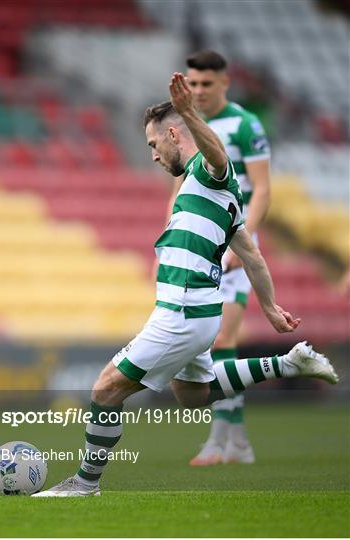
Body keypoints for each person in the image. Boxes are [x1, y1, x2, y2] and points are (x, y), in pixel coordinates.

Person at [33, 73, 338, 497]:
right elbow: (252, 256)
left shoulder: (209, 173)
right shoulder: (219, 199)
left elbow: (217, 157)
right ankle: (287, 363)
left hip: (181, 312)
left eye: (154, 146)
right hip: (198, 313)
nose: (154, 156)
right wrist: (269, 307)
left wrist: (192, 112)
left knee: (104, 389)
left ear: (174, 134)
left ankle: (84, 484)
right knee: (193, 395)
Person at [165, 50, 272, 466]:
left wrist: (241, 244)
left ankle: (220, 441)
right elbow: (180, 182)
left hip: (233, 245)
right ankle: (237, 441)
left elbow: (261, 189)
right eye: (192, 84)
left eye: (207, 84)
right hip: (197, 244)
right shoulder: (188, 125)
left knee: (223, 338)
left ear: (225, 83)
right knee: (211, 344)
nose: (198, 91)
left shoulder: (245, 125)